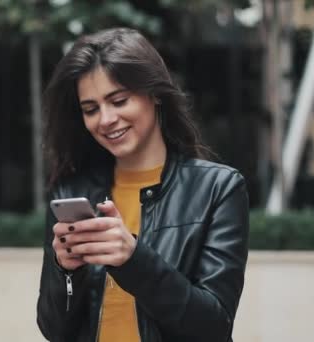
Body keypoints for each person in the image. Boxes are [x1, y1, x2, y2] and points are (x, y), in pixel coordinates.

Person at [37, 27, 249, 342]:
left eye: (119, 100)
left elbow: (214, 326)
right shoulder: (71, 193)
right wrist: (66, 270)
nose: (105, 119)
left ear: (154, 94)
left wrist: (134, 259)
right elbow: (53, 329)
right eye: (91, 109)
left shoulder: (218, 189)